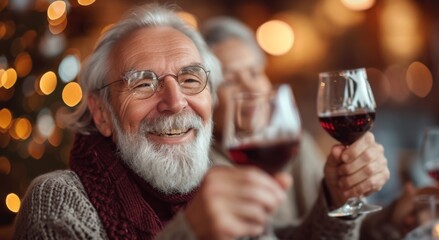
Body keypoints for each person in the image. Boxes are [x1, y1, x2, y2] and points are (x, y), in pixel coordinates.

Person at [12, 4, 388, 239]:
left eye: (191, 79)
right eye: (143, 83)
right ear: (101, 113)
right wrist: (190, 233)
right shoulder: (58, 201)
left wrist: (336, 198)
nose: (175, 103)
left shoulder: (218, 177)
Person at [201, 16, 390, 237]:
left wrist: (396, 218)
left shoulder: (296, 146)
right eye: (230, 81)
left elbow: (343, 231)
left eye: (254, 73)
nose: (251, 87)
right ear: (207, 96)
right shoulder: (205, 174)